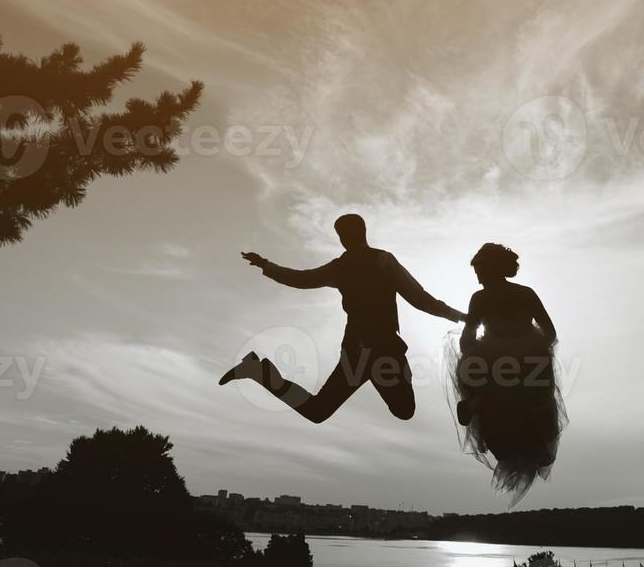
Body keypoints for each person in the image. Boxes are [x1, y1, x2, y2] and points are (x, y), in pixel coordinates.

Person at [220, 213, 464, 423]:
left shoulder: (340, 267)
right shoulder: (381, 260)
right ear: (364, 232)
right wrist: (457, 316)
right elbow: (418, 298)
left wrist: (267, 264)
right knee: (403, 410)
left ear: (342, 237)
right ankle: (259, 373)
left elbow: (301, 279)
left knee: (319, 411)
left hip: (357, 351)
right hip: (381, 349)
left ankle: (261, 374)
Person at [451, 243, 565, 504]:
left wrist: (513, 346)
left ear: (492, 269)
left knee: (519, 406)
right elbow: (468, 338)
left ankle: (480, 400)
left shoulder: (506, 296)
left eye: (479, 271)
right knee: (521, 406)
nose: (477, 277)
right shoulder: (486, 297)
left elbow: (549, 333)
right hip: (509, 361)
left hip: (516, 360)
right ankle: (481, 400)